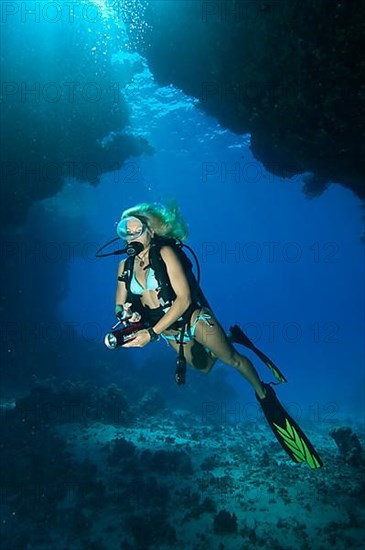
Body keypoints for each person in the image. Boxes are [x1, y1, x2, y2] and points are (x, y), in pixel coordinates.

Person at [113, 202, 323, 469]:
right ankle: (229, 336)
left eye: (136, 229)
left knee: (232, 360)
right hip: (169, 333)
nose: (131, 236)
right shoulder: (124, 267)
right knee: (203, 368)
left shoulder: (165, 252)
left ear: (150, 230)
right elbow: (119, 305)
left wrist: (151, 334)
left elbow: (184, 298)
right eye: (124, 230)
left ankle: (263, 394)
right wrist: (126, 315)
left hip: (193, 320)